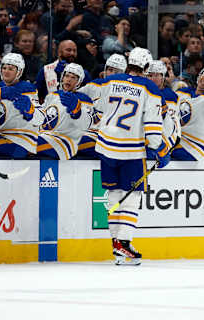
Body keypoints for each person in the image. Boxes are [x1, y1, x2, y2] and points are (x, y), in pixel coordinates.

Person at [94, 47, 170, 265]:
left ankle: (116, 244)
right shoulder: (150, 87)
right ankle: (124, 243)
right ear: (146, 67)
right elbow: (153, 124)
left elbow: (98, 111)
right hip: (131, 150)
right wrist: (158, 148)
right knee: (132, 197)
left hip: (106, 147)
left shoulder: (110, 81)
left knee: (113, 195)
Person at [0, 53, 44, 159]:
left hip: (21, 141)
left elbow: (40, 119)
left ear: (19, 72)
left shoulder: (27, 89)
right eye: (4, 68)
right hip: (4, 138)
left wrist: (30, 110)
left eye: (11, 69)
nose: (6, 71)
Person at [37, 63, 94, 160]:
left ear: (79, 82)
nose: (69, 79)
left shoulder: (84, 99)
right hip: (47, 137)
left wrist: (77, 112)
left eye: (74, 78)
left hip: (64, 142)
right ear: (62, 77)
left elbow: (86, 125)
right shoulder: (52, 95)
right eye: (67, 76)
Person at [77, 53, 127, 158]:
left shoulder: (128, 92)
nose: (112, 74)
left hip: (111, 138)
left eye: (117, 71)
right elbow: (73, 96)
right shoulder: (94, 85)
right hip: (90, 134)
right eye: (109, 69)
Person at [145, 60, 181, 151]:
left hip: (162, 142)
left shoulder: (170, 96)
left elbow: (170, 126)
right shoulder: (143, 92)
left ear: (163, 77)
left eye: (156, 75)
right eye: (150, 75)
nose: (152, 78)